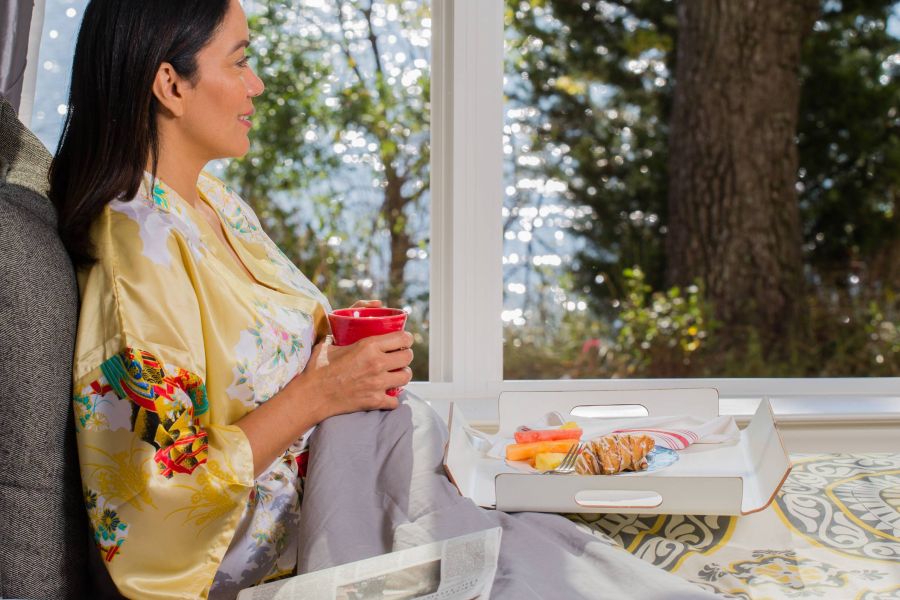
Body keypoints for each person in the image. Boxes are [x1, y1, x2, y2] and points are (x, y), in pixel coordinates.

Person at [50, 1, 413, 597]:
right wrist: (318, 394)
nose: (257, 84)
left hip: (348, 498)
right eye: (239, 61)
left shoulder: (212, 202)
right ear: (169, 83)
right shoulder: (139, 249)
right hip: (275, 564)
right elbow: (164, 482)